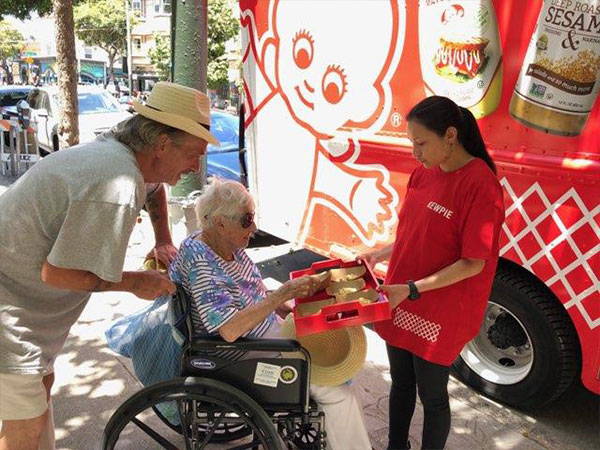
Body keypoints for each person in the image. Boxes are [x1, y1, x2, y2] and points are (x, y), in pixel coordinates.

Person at [0, 81, 219, 450]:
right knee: (26, 422)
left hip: (27, 307)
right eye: (193, 153)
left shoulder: (127, 160)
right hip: (12, 308)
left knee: (38, 397)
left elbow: (156, 188)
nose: (196, 165)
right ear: (162, 144)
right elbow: (57, 274)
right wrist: (134, 282)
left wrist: (163, 237)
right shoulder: (116, 182)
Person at [107, 177, 373, 450]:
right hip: (238, 352)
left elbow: (254, 294)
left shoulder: (222, 246)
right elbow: (229, 330)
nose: (254, 228)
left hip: (262, 334)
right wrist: (284, 294)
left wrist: (295, 304)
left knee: (328, 345)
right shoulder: (203, 263)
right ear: (220, 223)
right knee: (338, 393)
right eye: (246, 221)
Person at [360, 96, 504, 450]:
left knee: (432, 392)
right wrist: (378, 253)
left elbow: (474, 262)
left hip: (441, 307)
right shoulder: (423, 172)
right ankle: (397, 445)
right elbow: (412, 232)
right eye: (412, 142)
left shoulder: (481, 185)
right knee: (401, 382)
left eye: (421, 142)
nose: (415, 152)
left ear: (451, 135)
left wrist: (410, 289)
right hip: (401, 294)